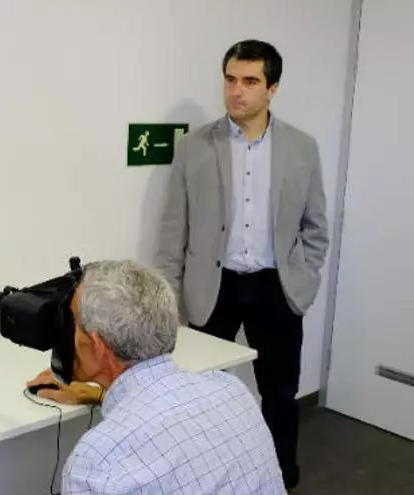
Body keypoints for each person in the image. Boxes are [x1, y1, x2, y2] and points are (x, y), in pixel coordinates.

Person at [154, 39, 329, 490]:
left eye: (250, 81)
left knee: (279, 393)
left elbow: (316, 227)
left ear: (272, 88)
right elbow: (173, 230)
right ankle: (200, 480)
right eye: (230, 79)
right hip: (211, 288)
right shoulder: (195, 146)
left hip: (276, 288)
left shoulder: (302, 147)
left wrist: (303, 284)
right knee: (198, 391)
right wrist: (170, 300)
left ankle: (279, 478)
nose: (236, 91)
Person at [27, 259, 286, 494]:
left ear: (99, 347)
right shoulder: (233, 391)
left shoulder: (96, 462)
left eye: (73, 322)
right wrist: (100, 394)